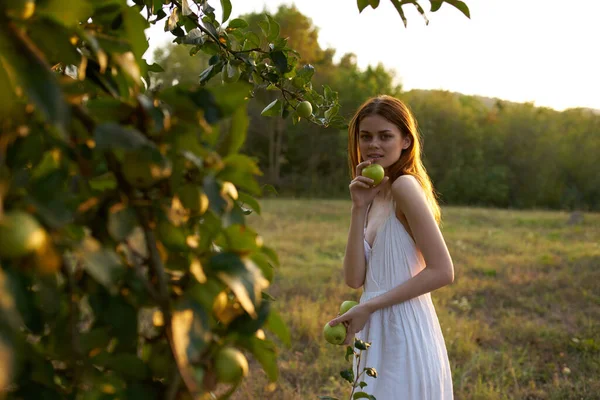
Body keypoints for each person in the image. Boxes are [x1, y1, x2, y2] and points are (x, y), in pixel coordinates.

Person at [328, 95, 454, 399]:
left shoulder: (404, 187)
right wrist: (358, 208)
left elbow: (442, 271)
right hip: (374, 331)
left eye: (386, 136)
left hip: (404, 329)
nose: (374, 145)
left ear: (406, 141)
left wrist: (369, 306)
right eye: (366, 136)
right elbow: (354, 279)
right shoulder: (371, 196)